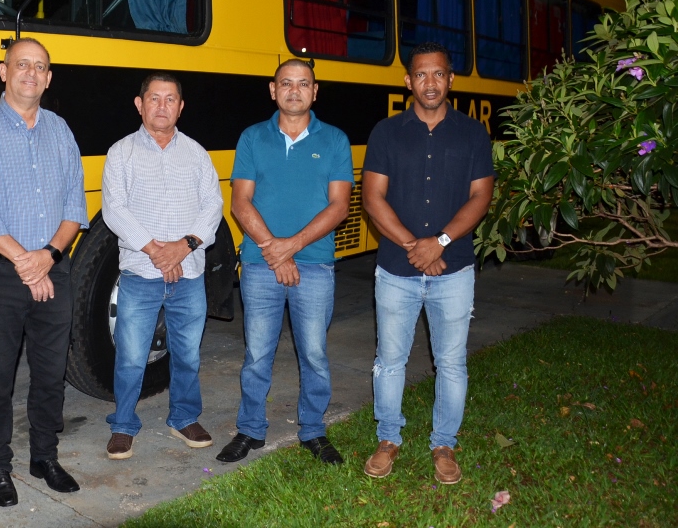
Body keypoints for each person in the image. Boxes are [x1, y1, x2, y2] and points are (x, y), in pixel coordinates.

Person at [0, 37, 88, 507]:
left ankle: (44, 457)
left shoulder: (60, 130)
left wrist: (47, 256)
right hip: (0, 278)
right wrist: (27, 264)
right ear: (4, 71)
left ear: (48, 78)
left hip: (54, 269)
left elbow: (75, 205)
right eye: (22, 64)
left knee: (51, 374)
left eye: (40, 66)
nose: (31, 73)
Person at [360, 41, 495, 485]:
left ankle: (444, 444)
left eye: (438, 74)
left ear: (451, 79)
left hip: (453, 269)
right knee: (389, 360)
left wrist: (439, 243)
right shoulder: (386, 132)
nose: (430, 83)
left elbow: (481, 196)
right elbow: (372, 198)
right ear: (408, 81)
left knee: (451, 363)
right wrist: (413, 246)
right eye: (421, 74)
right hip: (396, 271)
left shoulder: (473, 134)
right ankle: (388, 438)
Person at [216, 59, 354, 465]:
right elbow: (240, 202)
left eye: (303, 84)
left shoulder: (335, 140)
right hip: (261, 264)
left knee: (314, 354)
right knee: (257, 354)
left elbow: (340, 206)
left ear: (315, 91)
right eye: (287, 83)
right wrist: (274, 251)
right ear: (273, 90)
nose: (295, 91)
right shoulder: (252, 137)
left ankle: (313, 430)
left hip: (314, 265)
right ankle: (250, 429)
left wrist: (289, 247)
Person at [101, 73, 224, 460]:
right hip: (141, 273)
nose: (162, 106)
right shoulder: (121, 153)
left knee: (188, 355)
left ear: (180, 107)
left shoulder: (197, 154)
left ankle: (183, 418)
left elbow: (213, 206)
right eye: (154, 98)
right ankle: (123, 424)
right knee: (131, 356)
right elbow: (114, 209)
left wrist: (182, 247)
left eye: (170, 99)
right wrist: (157, 251)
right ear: (140, 104)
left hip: (189, 274)